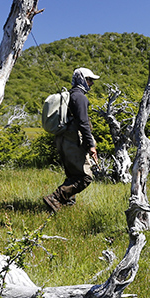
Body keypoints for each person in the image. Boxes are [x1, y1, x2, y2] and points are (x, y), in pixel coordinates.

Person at [43, 67, 100, 212]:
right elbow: (83, 123)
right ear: (82, 79)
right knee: (84, 177)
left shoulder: (69, 95)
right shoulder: (80, 97)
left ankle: (68, 204)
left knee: (73, 174)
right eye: (89, 80)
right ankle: (55, 198)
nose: (91, 84)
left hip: (62, 139)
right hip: (73, 140)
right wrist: (91, 145)